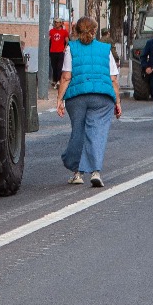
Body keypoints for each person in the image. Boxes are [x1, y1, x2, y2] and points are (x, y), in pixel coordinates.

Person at [58, 16, 122, 188]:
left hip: (77, 96)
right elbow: (113, 79)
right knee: (97, 132)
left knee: (78, 130)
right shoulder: (105, 49)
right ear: (95, 31)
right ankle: (95, 172)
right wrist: (117, 102)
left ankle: (76, 172)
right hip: (102, 96)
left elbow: (66, 76)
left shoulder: (71, 48)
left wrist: (59, 100)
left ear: (77, 31)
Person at [48, 20, 69, 89]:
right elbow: (48, 39)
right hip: (53, 51)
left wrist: (64, 49)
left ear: (61, 23)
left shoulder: (64, 32)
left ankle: (59, 81)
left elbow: (67, 41)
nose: (56, 24)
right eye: (55, 22)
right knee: (54, 67)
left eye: (58, 22)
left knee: (59, 67)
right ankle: (55, 80)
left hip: (60, 51)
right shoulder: (51, 31)